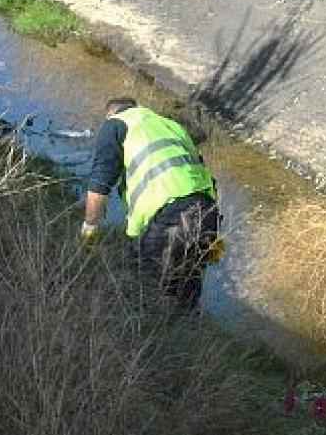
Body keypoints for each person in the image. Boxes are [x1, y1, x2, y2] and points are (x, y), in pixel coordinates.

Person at [81, 97, 221, 310]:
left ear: (112, 114)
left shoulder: (116, 125)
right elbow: (202, 173)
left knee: (142, 284)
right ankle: (186, 333)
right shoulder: (170, 125)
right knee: (186, 293)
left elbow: (99, 183)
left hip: (172, 214)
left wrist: (90, 228)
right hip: (207, 212)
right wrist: (211, 234)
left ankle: (143, 333)